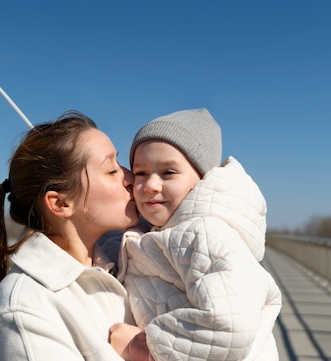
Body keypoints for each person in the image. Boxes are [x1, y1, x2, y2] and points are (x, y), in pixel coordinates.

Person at [0, 111, 145, 361]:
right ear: (61, 203)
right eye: (111, 170)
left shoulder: (122, 264)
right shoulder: (24, 311)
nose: (130, 177)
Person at [110, 108, 282, 361]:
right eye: (141, 173)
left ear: (202, 178)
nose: (150, 185)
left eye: (168, 172)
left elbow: (229, 325)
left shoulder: (206, 233)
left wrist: (140, 347)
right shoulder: (166, 231)